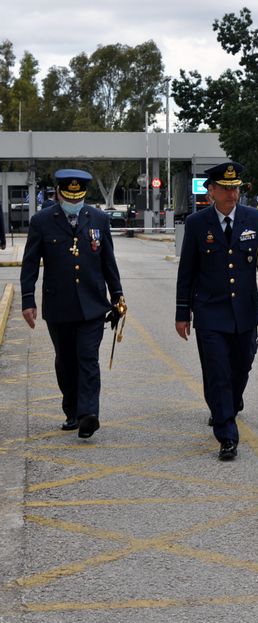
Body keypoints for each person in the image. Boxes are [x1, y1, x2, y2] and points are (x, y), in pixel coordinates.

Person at [175, 161, 258, 461]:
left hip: (244, 311)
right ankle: (226, 434)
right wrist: (182, 313)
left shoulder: (256, 221)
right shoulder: (197, 224)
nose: (232, 194)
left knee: (241, 366)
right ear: (211, 191)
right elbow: (187, 271)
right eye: (225, 188)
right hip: (209, 312)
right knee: (217, 371)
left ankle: (229, 405)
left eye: (235, 188)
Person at [20, 169, 124, 439]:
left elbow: (108, 262)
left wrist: (118, 295)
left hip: (92, 304)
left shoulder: (99, 219)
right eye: (69, 196)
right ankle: (72, 410)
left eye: (78, 196)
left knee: (88, 357)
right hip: (59, 306)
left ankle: (89, 414)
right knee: (66, 361)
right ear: (58, 193)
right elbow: (30, 263)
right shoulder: (42, 221)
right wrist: (27, 300)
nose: (74, 201)